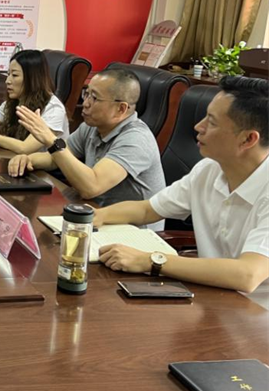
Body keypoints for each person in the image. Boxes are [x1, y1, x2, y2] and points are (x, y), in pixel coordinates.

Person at [94, 76, 269, 307]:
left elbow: (248, 274)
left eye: (212, 122)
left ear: (248, 139)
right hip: (210, 297)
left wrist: (151, 260)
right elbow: (148, 209)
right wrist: (95, 216)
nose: (198, 126)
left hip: (255, 315)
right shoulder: (209, 169)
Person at [8, 68, 165, 210]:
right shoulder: (92, 126)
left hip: (129, 228)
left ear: (121, 109)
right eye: (86, 94)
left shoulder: (136, 139)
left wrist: (51, 140)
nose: (85, 103)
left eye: (94, 98)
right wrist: (27, 160)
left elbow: (91, 187)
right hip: (94, 213)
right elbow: (58, 157)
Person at [0, 49, 69, 153]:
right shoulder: (17, 100)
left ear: (32, 78)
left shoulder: (53, 108)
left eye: (14, 75)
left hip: (43, 163)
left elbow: (25, 148)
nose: (7, 81)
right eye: (8, 74)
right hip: (16, 159)